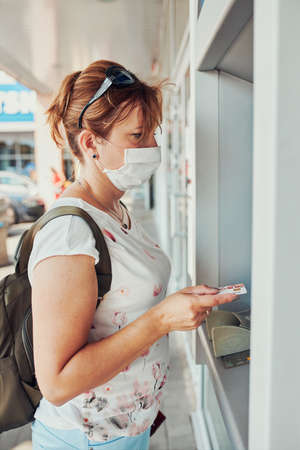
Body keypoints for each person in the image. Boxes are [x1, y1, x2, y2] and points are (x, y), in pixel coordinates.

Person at [29, 60, 239, 450]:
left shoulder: (115, 208)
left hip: (124, 433)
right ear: (91, 143)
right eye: (138, 135)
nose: (153, 148)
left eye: (152, 134)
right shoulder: (69, 233)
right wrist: (162, 319)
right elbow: (57, 384)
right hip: (84, 442)